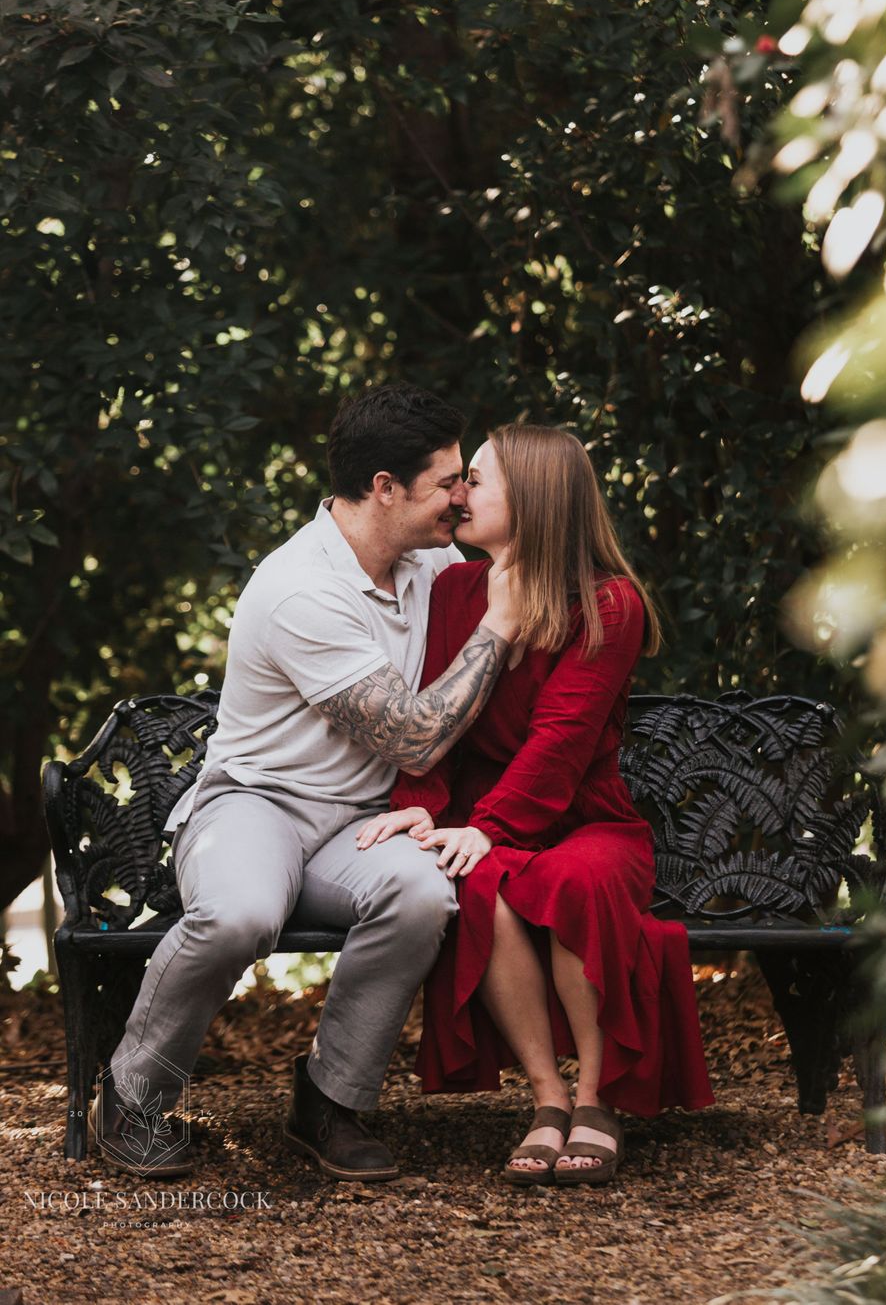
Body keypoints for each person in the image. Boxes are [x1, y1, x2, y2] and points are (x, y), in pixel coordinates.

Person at [91, 385, 523, 1182]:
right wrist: (499, 626)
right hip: (257, 804)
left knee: (421, 895)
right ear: (385, 487)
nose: (462, 498)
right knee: (238, 913)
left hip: (361, 819)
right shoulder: (300, 587)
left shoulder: (435, 561)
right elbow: (416, 737)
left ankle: (328, 1099)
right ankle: (131, 1095)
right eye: (446, 482)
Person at [388, 424, 714, 1187]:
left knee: (575, 879)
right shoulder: (454, 590)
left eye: (476, 479)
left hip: (586, 818)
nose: (459, 494)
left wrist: (488, 826)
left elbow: (562, 740)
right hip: (485, 814)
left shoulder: (608, 602)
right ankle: (548, 1097)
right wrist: (422, 806)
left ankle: (596, 1098)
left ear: (532, 499)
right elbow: (439, 717)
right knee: (478, 882)